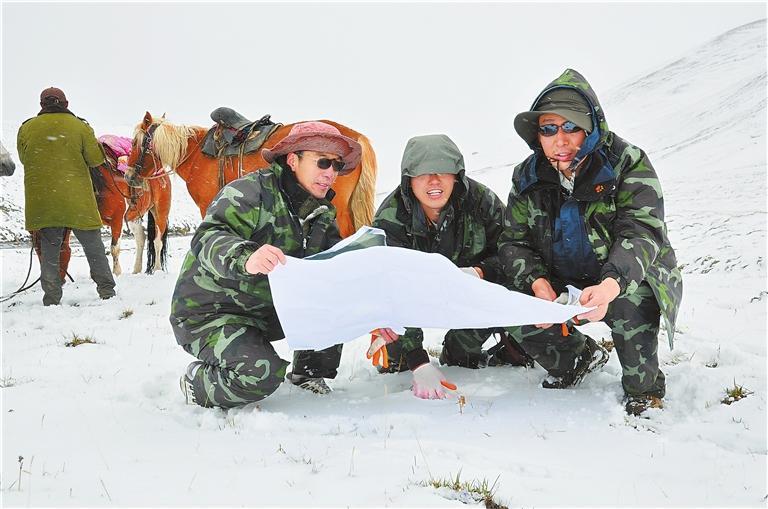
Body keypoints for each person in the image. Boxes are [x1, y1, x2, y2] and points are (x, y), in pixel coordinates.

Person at [499, 69, 683, 416]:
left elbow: (641, 231)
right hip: (562, 280)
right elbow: (514, 241)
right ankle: (577, 359)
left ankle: (645, 388)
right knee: (515, 302)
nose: (560, 138)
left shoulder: (626, 162)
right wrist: (537, 284)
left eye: (571, 127)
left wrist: (610, 285)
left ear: (591, 127)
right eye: (549, 129)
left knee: (633, 304)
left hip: (625, 277)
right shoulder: (527, 176)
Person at [170, 121, 362, 408]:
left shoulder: (320, 211)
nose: (330, 173)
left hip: (264, 311)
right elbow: (208, 237)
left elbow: (334, 270)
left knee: (333, 299)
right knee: (262, 376)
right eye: (323, 162)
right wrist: (246, 256)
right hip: (211, 313)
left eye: (336, 166)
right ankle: (198, 383)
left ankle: (308, 374)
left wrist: (371, 313)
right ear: (293, 160)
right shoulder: (250, 192)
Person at [371, 134, 531, 400]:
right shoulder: (391, 217)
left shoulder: (481, 201)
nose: (434, 181)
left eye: (443, 171)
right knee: (395, 365)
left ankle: (509, 344)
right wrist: (418, 360)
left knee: (461, 358)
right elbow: (389, 288)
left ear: (457, 176)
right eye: (423, 173)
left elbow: (511, 251)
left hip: (472, 293)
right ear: (408, 180)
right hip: (413, 297)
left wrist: (480, 272)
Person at [17, 87, 116, 306]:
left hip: (44, 202)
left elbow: (25, 158)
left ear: (42, 105)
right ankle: (106, 290)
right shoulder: (80, 127)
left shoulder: (27, 129)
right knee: (94, 248)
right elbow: (95, 160)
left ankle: (52, 297)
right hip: (77, 202)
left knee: (50, 251)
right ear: (66, 104)